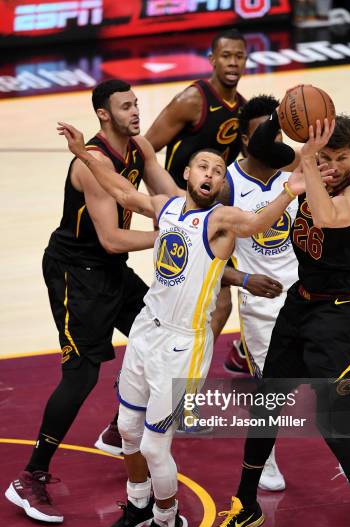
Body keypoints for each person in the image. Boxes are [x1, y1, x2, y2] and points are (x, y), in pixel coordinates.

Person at [56, 119, 331, 527]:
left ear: (222, 185)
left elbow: (258, 220)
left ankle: (168, 521)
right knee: (126, 429)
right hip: (147, 329)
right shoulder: (165, 207)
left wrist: (290, 190)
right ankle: (139, 502)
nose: (209, 173)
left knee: (153, 446)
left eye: (218, 170)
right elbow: (123, 193)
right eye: (203, 166)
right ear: (186, 173)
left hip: (183, 347)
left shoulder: (220, 220)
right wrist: (83, 154)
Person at [205, 114, 350, 527]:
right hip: (302, 302)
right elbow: (273, 190)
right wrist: (298, 154)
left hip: (341, 314)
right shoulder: (306, 175)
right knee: (267, 402)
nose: (334, 165)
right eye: (326, 157)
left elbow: (324, 217)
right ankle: (247, 503)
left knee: (331, 421)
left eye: (342, 158)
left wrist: (308, 166)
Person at [4, 79, 181, 524]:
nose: (136, 112)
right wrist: (171, 237)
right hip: (75, 273)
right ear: (104, 114)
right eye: (126, 106)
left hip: (110, 273)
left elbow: (169, 195)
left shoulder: (138, 146)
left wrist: (201, 214)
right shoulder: (93, 163)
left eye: (137, 103)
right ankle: (30, 476)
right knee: (81, 375)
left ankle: (118, 428)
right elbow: (112, 238)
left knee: (158, 328)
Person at [145, 28, 248, 355]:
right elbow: (144, 151)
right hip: (181, 209)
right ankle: (154, 357)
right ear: (212, 60)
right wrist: (162, 203)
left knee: (219, 304)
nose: (233, 62)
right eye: (226, 56)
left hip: (212, 216)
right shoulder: (193, 100)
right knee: (177, 296)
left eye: (239, 56)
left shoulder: (242, 109)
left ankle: (189, 366)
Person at [222, 94, 299, 491]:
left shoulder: (295, 172)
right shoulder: (228, 185)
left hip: (306, 297)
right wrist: (242, 280)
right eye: (265, 134)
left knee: (336, 382)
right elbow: (207, 253)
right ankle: (265, 460)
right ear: (245, 141)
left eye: (278, 131)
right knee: (271, 392)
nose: (275, 142)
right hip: (262, 306)